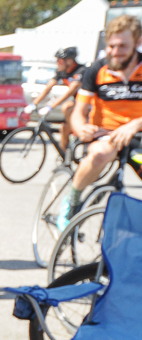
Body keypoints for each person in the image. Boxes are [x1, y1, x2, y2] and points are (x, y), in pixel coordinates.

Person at [58, 15, 142, 230]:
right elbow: (79, 111)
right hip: (106, 135)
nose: (115, 52)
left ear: (138, 41)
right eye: (111, 46)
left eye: (123, 46)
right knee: (100, 155)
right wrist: (81, 128)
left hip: (138, 137)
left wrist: (134, 125)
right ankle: (72, 202)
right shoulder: (97, 70)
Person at [29, 47, 84, 152]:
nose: (57, 63)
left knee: (66, 107)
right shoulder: (62, 71)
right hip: (78, 102)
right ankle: (64, 155)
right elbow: (48, 87)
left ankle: (76, 132)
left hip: (89, 103)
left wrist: (50, 106)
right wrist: (34, 103)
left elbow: (71, 91)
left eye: (60, 60)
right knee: (63, 128)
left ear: (70, 61)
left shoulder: (81, 71)